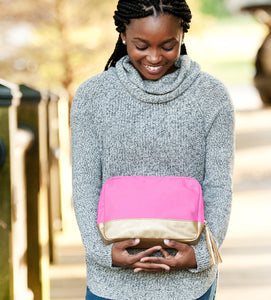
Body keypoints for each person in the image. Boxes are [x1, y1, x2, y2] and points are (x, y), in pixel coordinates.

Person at [71, 0, 235, 299]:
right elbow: (85, 185)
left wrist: (200, 255)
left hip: (190, 285)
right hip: (111, 283)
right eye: (141, 45)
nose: (155, 57)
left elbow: (218, 185)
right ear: (122, 35)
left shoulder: (212, 97)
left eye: (168, 45)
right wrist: (103, 254)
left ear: (183, 34)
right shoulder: (92, 96)